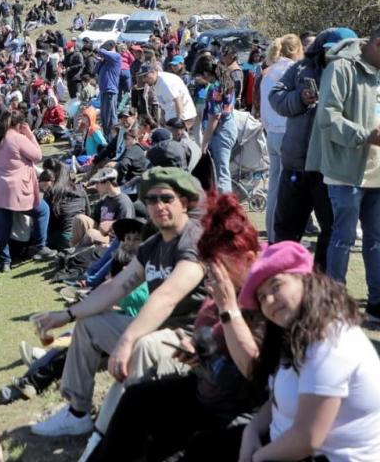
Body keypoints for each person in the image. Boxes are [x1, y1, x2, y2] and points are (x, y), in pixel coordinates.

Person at [83, 191, 263, 462]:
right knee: (136, 399)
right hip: (205, 391)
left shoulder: (264, 299)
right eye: (209, 268)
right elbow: (215, 350)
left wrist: (228, 310)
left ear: (248, 259)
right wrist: (198, 352)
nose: (212, 277)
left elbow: (253, 373)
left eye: (220, 268)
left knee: (181, 446)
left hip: (238, 411)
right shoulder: (218, 294)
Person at [31, 167, 206, 437]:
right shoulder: (154, 245)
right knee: (89, 324)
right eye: (151, 199)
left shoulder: (194, 240)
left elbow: (167, 296)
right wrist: (66, 314)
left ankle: (116, 433)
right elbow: (116, 286)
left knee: (142, 345)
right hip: (161, 335)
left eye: (166, 198)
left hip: (194, 344)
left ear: (184, 202)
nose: (158, 205)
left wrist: (127, 341)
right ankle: (77, 413)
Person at [237, 241, 380, 462]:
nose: (270, 301)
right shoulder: (297, 332)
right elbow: (283, 397)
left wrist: (256, 457)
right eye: (262, 297)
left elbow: (307, 438)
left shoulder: (331, 343)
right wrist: (252, 430)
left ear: (305, 279)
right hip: (284, 446)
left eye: (276, 286)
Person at [269, 28, 356, 268]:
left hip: (330, 168)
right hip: (295, 163)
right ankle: (280, 277)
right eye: (328, 51)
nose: (333, 56)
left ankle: (321, 285)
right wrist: (301, 99)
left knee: (330, 229)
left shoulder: (355, 74)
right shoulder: (300, 69)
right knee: (286, 227)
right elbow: (276, 97)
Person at [311, 28, 380, 321]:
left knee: (376, 239)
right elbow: (328, 118)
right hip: (345, 173)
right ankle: (335, 304)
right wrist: (365, 135)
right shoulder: (340, 68)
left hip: (378, 174)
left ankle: (376, 303)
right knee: (343, 238)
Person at [0, 110, 56, 272]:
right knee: (43, 211)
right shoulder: (18, 138)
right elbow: (38, 155)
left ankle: (4, 262)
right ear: (19, 124)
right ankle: (40, 247)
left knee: (3, 226)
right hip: (16, 188)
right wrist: (30, 135)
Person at [260, 34, 304, 243]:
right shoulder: (292, 71)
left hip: (271, 133)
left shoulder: (268, 72)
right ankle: (282, 236)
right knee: (288, 190)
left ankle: (272, 234)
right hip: (287, 133)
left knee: (274, 187)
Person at [195, 56, 237, 193]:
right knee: (220, 171)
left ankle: (226, 209)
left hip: (221, 131)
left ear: (206, 73)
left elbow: (215, 116)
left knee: (221, 173)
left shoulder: (215, 88)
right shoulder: (226, 81)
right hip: (227, 127)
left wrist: (204, 142)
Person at [138, 62, 197, 129]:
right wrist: (162, 119)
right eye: (142, 77)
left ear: (154, 72)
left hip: (184, 116)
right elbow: (164, 103)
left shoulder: (166, 82)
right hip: (172, 117)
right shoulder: (155, 82)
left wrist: (179, 123)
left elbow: (178, 100)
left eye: (145, 76)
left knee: (180, 138)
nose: (144, 80)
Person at [95, 43, 121, 139]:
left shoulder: (116, 56)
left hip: (110, 90)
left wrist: (99, 49)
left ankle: (114, 137)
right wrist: (100, 62)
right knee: (104, 116)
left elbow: (101, 51)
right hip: (104, 90)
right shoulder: (105, 61)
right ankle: (107, 136)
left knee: (111, 115)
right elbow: (95, 70)